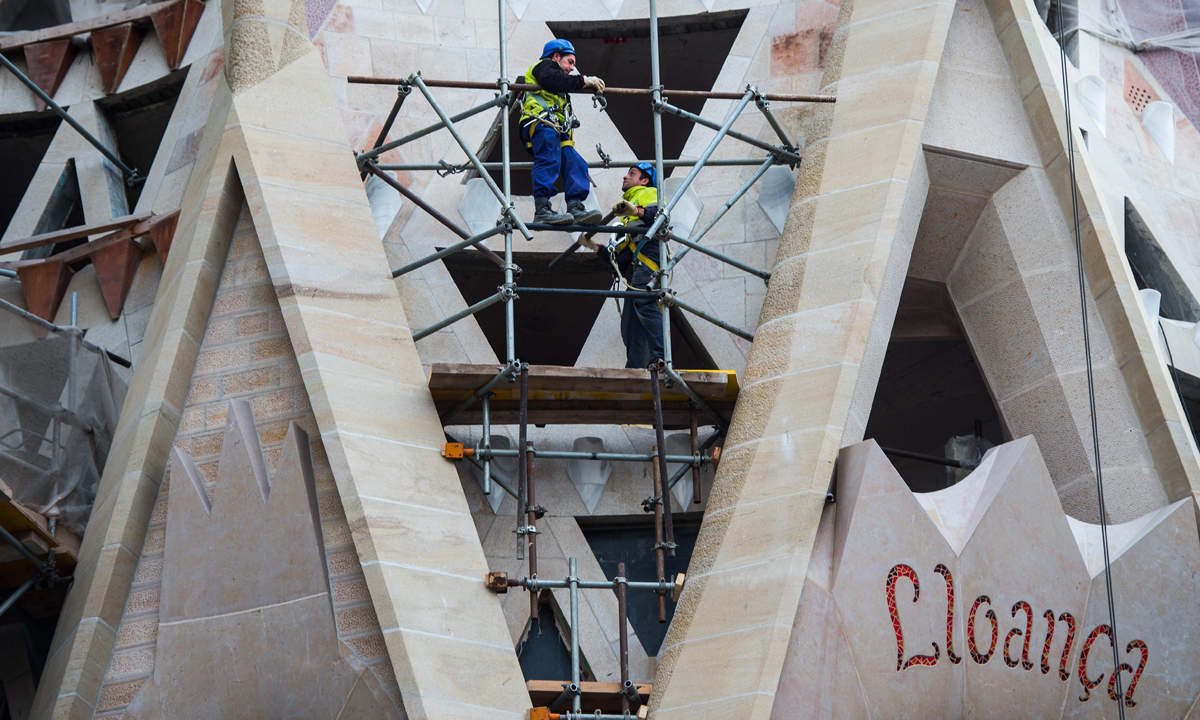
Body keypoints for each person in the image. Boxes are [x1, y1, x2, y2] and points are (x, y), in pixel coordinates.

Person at [521, 39, 605, 225]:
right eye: (570, 62)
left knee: (576, 162)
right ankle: (542, 209)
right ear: (556, 56)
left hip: (555, 127)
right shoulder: (544, 66)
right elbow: (554, 81)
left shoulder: (558, 76)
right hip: (540, 122)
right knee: (549, 159)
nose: (572, 68)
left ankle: (574, 206)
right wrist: (583, 80)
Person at [600, 162, 665, 369]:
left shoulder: (649, 193)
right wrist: (596, 248)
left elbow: (659, 218)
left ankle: (660, 358)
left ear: (644, 180)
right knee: (630, 324)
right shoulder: (630, 205)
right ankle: (635, 367)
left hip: (647, 260)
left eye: (632, 174)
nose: (625, 177)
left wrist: (636, 210)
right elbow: (625, 251)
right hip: (636, 266)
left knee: (646, 306)